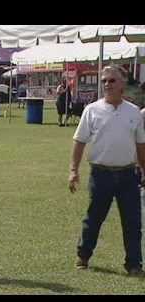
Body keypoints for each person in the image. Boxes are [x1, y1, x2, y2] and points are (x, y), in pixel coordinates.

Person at [69, 65, 145, 276]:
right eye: (104, 81)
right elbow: (79, 142)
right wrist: (73, 170)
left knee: (132, 222)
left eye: (112, 80)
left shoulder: (134, 112)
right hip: (100, 174)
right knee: (94, 218)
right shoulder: (91, 110)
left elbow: (140, 146)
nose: (106, 84)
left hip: (128, 175)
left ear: (123, 84)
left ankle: (134, 264)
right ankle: (83, 256)